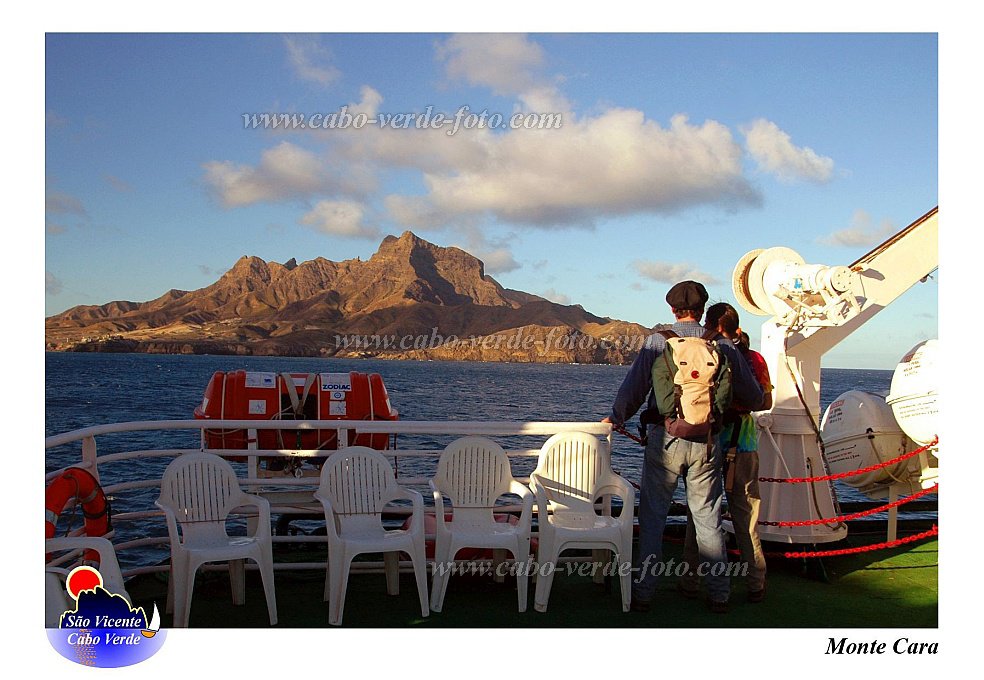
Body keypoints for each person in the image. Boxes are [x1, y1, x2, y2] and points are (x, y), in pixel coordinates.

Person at [605, 282, 763, 613]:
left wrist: (616, 417)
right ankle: (719, 593)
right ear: (702, 310)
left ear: (673, 309)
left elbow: (634, 388)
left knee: (652, 519)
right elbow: (753, 396)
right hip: (707, 443)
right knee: (707, 520)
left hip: (665, 441)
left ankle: (645, 592)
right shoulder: (721, 344)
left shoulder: (658, 341)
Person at [680, 303, 772, 603]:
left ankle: (691, 580)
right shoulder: (755, 359)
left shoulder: (708, 352)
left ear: (714, 327)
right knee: (746, 513)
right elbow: (764, 401)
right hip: (743, 441)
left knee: (701, 510)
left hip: (710, 438)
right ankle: (755, 582)